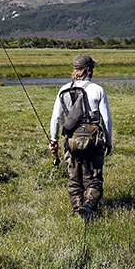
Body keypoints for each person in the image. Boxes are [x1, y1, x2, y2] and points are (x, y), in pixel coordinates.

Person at [49, 53, 112, 221]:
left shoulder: (63, 90)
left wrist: (53, 140)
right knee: (94, 179)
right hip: (93, 141)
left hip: (70, 141)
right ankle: (88, 207)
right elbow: (106, 119)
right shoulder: (97, 90)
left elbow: (56, 118)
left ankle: (79, 211)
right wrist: (109, 142)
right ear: (89, 69)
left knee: (74, 180)